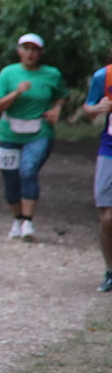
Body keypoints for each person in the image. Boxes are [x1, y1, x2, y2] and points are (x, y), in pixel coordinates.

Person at [0, 33, 68, 241]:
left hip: (39, 131)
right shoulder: (8, 73)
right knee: (10, 180)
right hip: (9, 132)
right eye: (26, 48)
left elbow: (61, 95)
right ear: (19, 51)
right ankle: (17, 219)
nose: (30, 53)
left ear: (40, 53)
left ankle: (28, 221)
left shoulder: (51, 74)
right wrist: (16, 93)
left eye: (35, 50)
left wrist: (56, 108)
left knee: (28, 170)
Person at [81, 45, 112, 291]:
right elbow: (88, 109)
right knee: (108, 216)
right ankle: (110, 269)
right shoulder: (104, 76)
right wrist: (98, 109)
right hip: (109, 150)